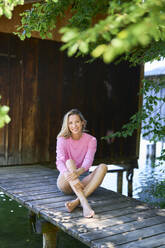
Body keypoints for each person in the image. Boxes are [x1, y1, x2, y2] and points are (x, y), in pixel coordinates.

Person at [56, 109, 107, 218]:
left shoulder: (91, 140)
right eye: (70, 123)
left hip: (78, 181)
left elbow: (88, 162)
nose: (74, 125)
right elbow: (59, 161)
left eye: (77, 122)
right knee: (69, 162)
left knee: (103, 167)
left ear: (82, 122)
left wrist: (77, 173)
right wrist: (68, 173)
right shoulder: (62, 139)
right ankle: (84, 203)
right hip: (65, 181)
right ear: (67, 125)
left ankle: (75, 202)